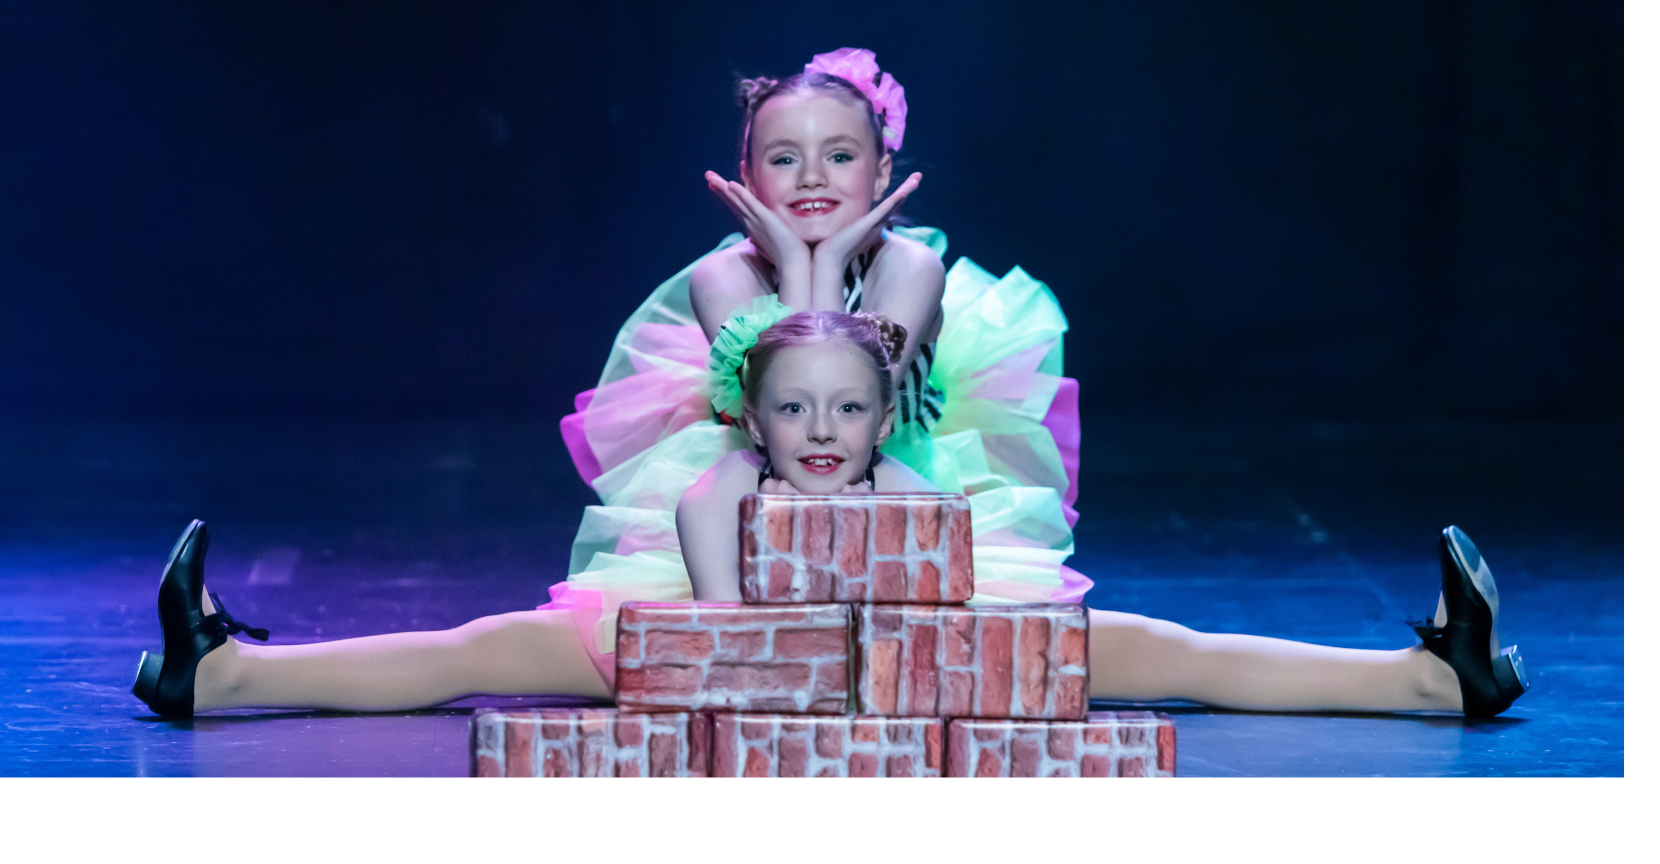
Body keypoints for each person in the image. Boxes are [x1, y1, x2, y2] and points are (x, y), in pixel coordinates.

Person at [131, 311, 1527, 717]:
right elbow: (719, 607)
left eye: (848, 410)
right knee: (485, 649)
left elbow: (940, 581)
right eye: (794, 409)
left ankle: (1427, 676)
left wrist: (917, 592)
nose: (820, 432)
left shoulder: (904, 482)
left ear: (882, 417)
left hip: (897, 671)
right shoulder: (726, 483)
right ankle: (227, 672)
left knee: (1160, 651)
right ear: (753, 418)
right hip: (741, 670)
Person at [551, 49, 1088, 685]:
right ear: (748, 177)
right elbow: (794, 399)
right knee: (683, 560)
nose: (811, 178)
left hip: (889, 477)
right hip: (762, 484)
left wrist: (824, 263)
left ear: (881, 171)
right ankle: (727, 637)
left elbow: (840, 386)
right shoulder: (722, 278)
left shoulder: (910, 269)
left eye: (839, 156)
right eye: (784, 159)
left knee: (985, 658)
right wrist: (799, 263)